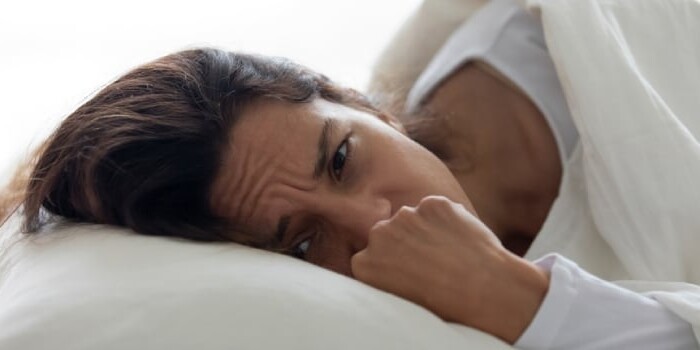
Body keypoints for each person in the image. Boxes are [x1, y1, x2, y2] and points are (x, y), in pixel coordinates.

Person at [0, 2, 698, 350]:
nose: (377, 223)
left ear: (363, 106)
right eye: (305, 245)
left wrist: (519, 299)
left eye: (341, 159)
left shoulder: (614, 37)